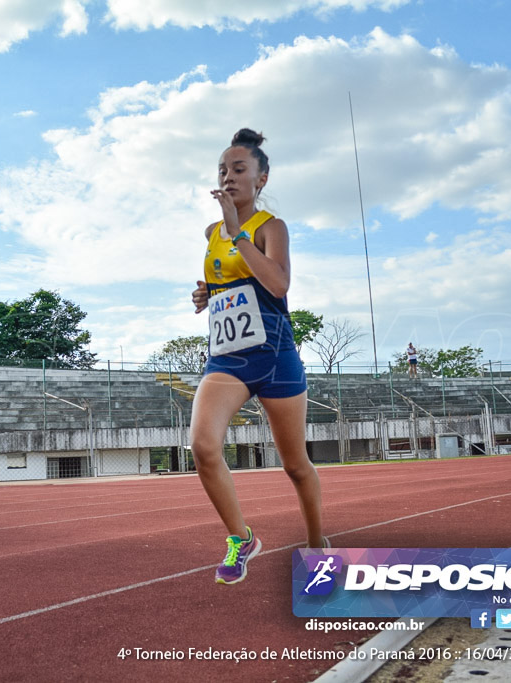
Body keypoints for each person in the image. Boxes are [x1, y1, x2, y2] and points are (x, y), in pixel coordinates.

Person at [190, 128, 326, 585]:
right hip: (228, 359)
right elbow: (229, 281)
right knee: (203, 447)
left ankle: (317, 544)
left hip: (275, 355)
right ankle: (241, 537)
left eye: (239, 169)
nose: (228, 177)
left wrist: (236, 232)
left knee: (295, 465)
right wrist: (207, 293)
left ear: (261, 179)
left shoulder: (270, 227)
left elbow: (279, 285)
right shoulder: (211, 232)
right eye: (223, 170)